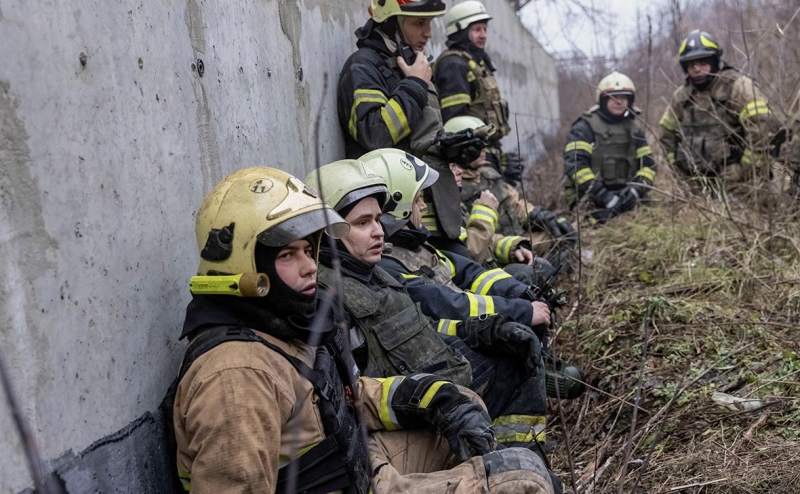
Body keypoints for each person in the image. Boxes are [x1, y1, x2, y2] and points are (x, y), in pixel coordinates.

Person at [172, 166, 556, 493]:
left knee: (470, 410)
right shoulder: (237, 377)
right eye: (288, 255)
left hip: (351, 459)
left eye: (308, 250)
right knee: (521, 481)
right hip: (345, 476)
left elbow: (341, 394)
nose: (308, 267)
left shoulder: (278, 328)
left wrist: (429, 395)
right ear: (244, 263)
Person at [304, 160, 562, 466]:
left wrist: (480, 331)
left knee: (517, 359)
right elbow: (354, 396)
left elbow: (420, 329)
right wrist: (434, 402)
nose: (378, 231)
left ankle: (517, 456)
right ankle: (506, 464)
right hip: (419, 414)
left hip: (447, 385)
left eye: (377, 219)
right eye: (363, 223)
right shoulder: (330, 300)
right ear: (328, 233)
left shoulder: (372, 274)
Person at [337, 0, 485, 248]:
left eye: (429, 23)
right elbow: (375, 135)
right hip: (397, 222)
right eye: (419, 23)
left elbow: (415, 138)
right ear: (392, 22)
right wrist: (415, 85)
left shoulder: (415, 63)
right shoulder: (363, 66)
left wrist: (450, 150)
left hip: (437, 217)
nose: (428, 33)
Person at [448, 116, 577, 272]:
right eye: (476, 145)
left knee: (564, 235)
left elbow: (515, 204)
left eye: (484, 144)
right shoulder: (453, 189)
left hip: (518, 241)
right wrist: (513, 246)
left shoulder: (488, 173)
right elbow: (472, 243)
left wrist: (540, 215)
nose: (484, 150)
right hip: (496, 256)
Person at [658, 29, 781, 193]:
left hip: (744, 184)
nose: (697, 69)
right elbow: (667, 135)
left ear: (715, 61)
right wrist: (679, 171)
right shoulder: (681, 97)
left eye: (703, 63)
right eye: (692, 65)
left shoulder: (738, 87)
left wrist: (744, 170)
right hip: (697, 186)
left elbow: (762, 129)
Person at [434, 0, 522, 185]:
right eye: (476, 30)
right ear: (459, 31)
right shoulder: (454, 66)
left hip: (485, 151)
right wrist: (479, 155)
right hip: (473, 156)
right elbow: (455, 123)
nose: (483, 35)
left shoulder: (475, 62)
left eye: (485, 29)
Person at [563, 71, 657, 225]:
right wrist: (604, 196)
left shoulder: (634, 129)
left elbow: (649, 165)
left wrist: (635, 191)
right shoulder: (584, 128)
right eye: (613, 97)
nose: (618, 102)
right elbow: (576, 167)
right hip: (592, 197)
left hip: (626, 194)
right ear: (602, 100)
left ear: (630, 100)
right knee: (597, 223)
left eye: (623, 97)